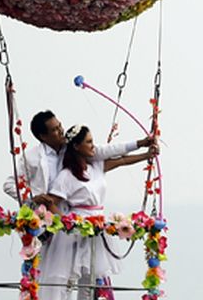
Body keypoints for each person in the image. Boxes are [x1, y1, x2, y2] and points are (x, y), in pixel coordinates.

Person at [39, 125, 158, 300]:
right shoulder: (66, 175)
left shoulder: (95, 166)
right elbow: (51, 202)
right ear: (77, 147)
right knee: (70, 278)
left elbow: (122, 160)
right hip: (77, 229)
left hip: (97, 227)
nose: (93, 146)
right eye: (89, 142)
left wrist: (147, 155)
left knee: (92, 277)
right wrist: (67, 222)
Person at [3, 111, 154, 210]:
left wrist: (139, 144)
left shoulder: (72, 148)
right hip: (45, 215)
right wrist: (32, 197)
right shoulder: (31, 157)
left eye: (60, 126)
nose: (61, 131)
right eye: (55, 130)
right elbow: (10, 184)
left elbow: (107, 152)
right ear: (43, 136)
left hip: (70, 213)